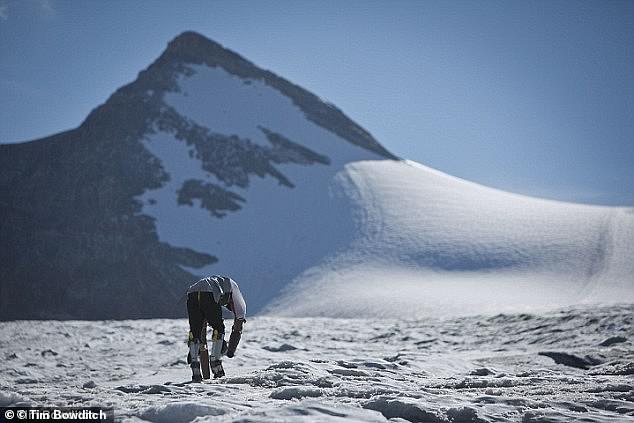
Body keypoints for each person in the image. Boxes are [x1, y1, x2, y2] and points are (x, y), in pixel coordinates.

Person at [186, 275, 246, 381]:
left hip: (192, 293)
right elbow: (238, 325)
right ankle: (216, 364)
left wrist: (193, 352)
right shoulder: (234, 291)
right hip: (210, 293)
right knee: (219, 328)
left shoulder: (222, 285)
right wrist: (230, 351)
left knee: (195, 332)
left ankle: (195, 368)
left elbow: (202, 338)